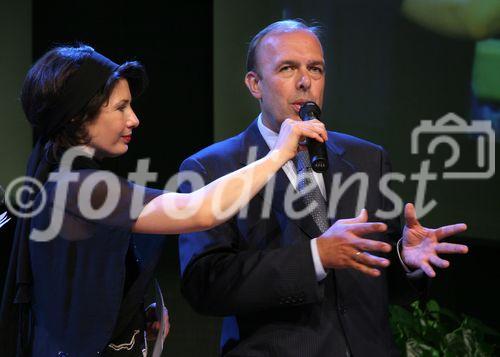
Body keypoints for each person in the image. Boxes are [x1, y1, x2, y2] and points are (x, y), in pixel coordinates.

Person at [0, 44, 326, 356]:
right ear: (76, 117)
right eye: (120, 107)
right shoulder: (78, 186)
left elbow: (76, 291)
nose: (134, 119)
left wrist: (131, 317)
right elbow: (199, 210)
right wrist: (279, 154)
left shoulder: (64, 182)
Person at [178, 20, 469, 356]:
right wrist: (315, 256)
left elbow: (376, 285)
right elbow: (205, 286)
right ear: (255, 84)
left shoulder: (367, 159)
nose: (305, 82)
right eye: (288, 68)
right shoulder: (211, 168)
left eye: (315, 69)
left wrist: (404, 259)